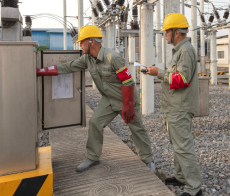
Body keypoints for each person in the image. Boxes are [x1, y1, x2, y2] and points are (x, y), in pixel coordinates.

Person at [37, 25, 155, 172]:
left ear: (91, 41)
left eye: (82, 41)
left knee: (137, 128)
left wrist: (128, 105)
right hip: (109, 99)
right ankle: (93, 156)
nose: (80, 45)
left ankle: (148, 160)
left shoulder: (113, 57)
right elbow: (67, 67)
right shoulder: (87, 59)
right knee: (95, 123)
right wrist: (40, 71)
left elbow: (128, 81)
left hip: (126, 98)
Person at [145, 13, 202, 196]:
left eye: (166, 32)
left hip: (180, 106)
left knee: (183, 146)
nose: (164, 36)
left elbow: (182, 79)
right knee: (177, 143)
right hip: (175, 105)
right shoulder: (180, 51)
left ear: (176, 32)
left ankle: (194, 188)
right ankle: (181, 177)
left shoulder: (185, 51)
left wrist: (159, 73)